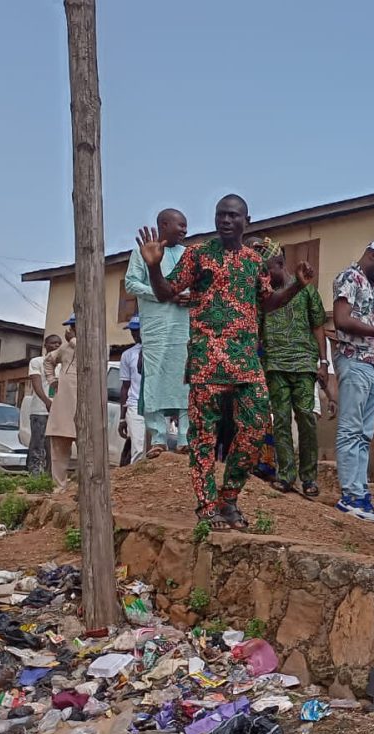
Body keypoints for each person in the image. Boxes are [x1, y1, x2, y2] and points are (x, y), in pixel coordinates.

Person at [135, 194, 315, 529]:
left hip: (246, 362)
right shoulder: (198, 254)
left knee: (257, 426)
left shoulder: (253, 261)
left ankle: (229, 499)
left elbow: (268, 303)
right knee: (204, 437)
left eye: (233, 215)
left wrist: (296, 288)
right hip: (207, 363)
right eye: (221, 215)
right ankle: (206, 507)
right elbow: (165, 293)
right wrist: (154, 266)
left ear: (246, 219)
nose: (226, 220)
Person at [332, 241, 374, 524]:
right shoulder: (350, 277)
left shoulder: (371, 286)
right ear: (373, 255)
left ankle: (359, 492)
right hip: (355, 358)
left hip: (371, 363)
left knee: (363, 432)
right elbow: (341, 320)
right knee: (351, 428)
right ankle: (349, 495)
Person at [261, 244, 335, 496]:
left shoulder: (307, 292)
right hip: (274, 365)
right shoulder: (263, 295)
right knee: (280, 420)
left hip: (303, 364)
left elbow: (318, 326)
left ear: (280, 265)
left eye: (266, 270)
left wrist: (323, 363)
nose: (263, 276)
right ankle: (285, 475)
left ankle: (309, 478)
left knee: (306, 419)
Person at [124, 208, 191, 458]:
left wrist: (190, 296)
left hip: (184, 327)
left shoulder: (188, 255)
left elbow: (200, 286)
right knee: (154, 378)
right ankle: (159, 439)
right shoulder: (142, 252)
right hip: (155, 328)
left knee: (185, 379)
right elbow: (131, 283)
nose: (185, 230)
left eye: (186, 226)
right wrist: (164, 295)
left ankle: (185, 438)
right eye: (180, 225)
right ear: (164, 224)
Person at [44, 316, 78, 493]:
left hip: (84, 405)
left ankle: (83, 488)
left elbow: (87, 352)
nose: (71, 329)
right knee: (58, 446)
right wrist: (52, 380)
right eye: (71, 327)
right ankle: (59, 487)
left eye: (74, 326)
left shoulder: (99, 344)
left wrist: (72, 340)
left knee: (88, 447)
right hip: (63, 402)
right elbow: (48, 361)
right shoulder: (65, 348)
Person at [25, 334, 62, 475]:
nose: (56, 345)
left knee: (53, 447)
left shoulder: (62, 365)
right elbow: (36, 383)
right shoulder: (37, 362)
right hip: (40, 411)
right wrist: (47, 402)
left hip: (58, 412)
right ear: (45, 345)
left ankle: (49, 476)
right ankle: (34, 476)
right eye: (53, 343)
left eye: (59, 343)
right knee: (38, 444)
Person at [118, 315, 146, 464]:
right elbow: (125, 387)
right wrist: (122, 418)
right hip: (135, 405)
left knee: (158, 448)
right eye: (132, 331)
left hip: (155, 406)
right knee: (138, 448)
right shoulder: (128, 354)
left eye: (137, 330)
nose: (135, 334)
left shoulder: (158, 351)